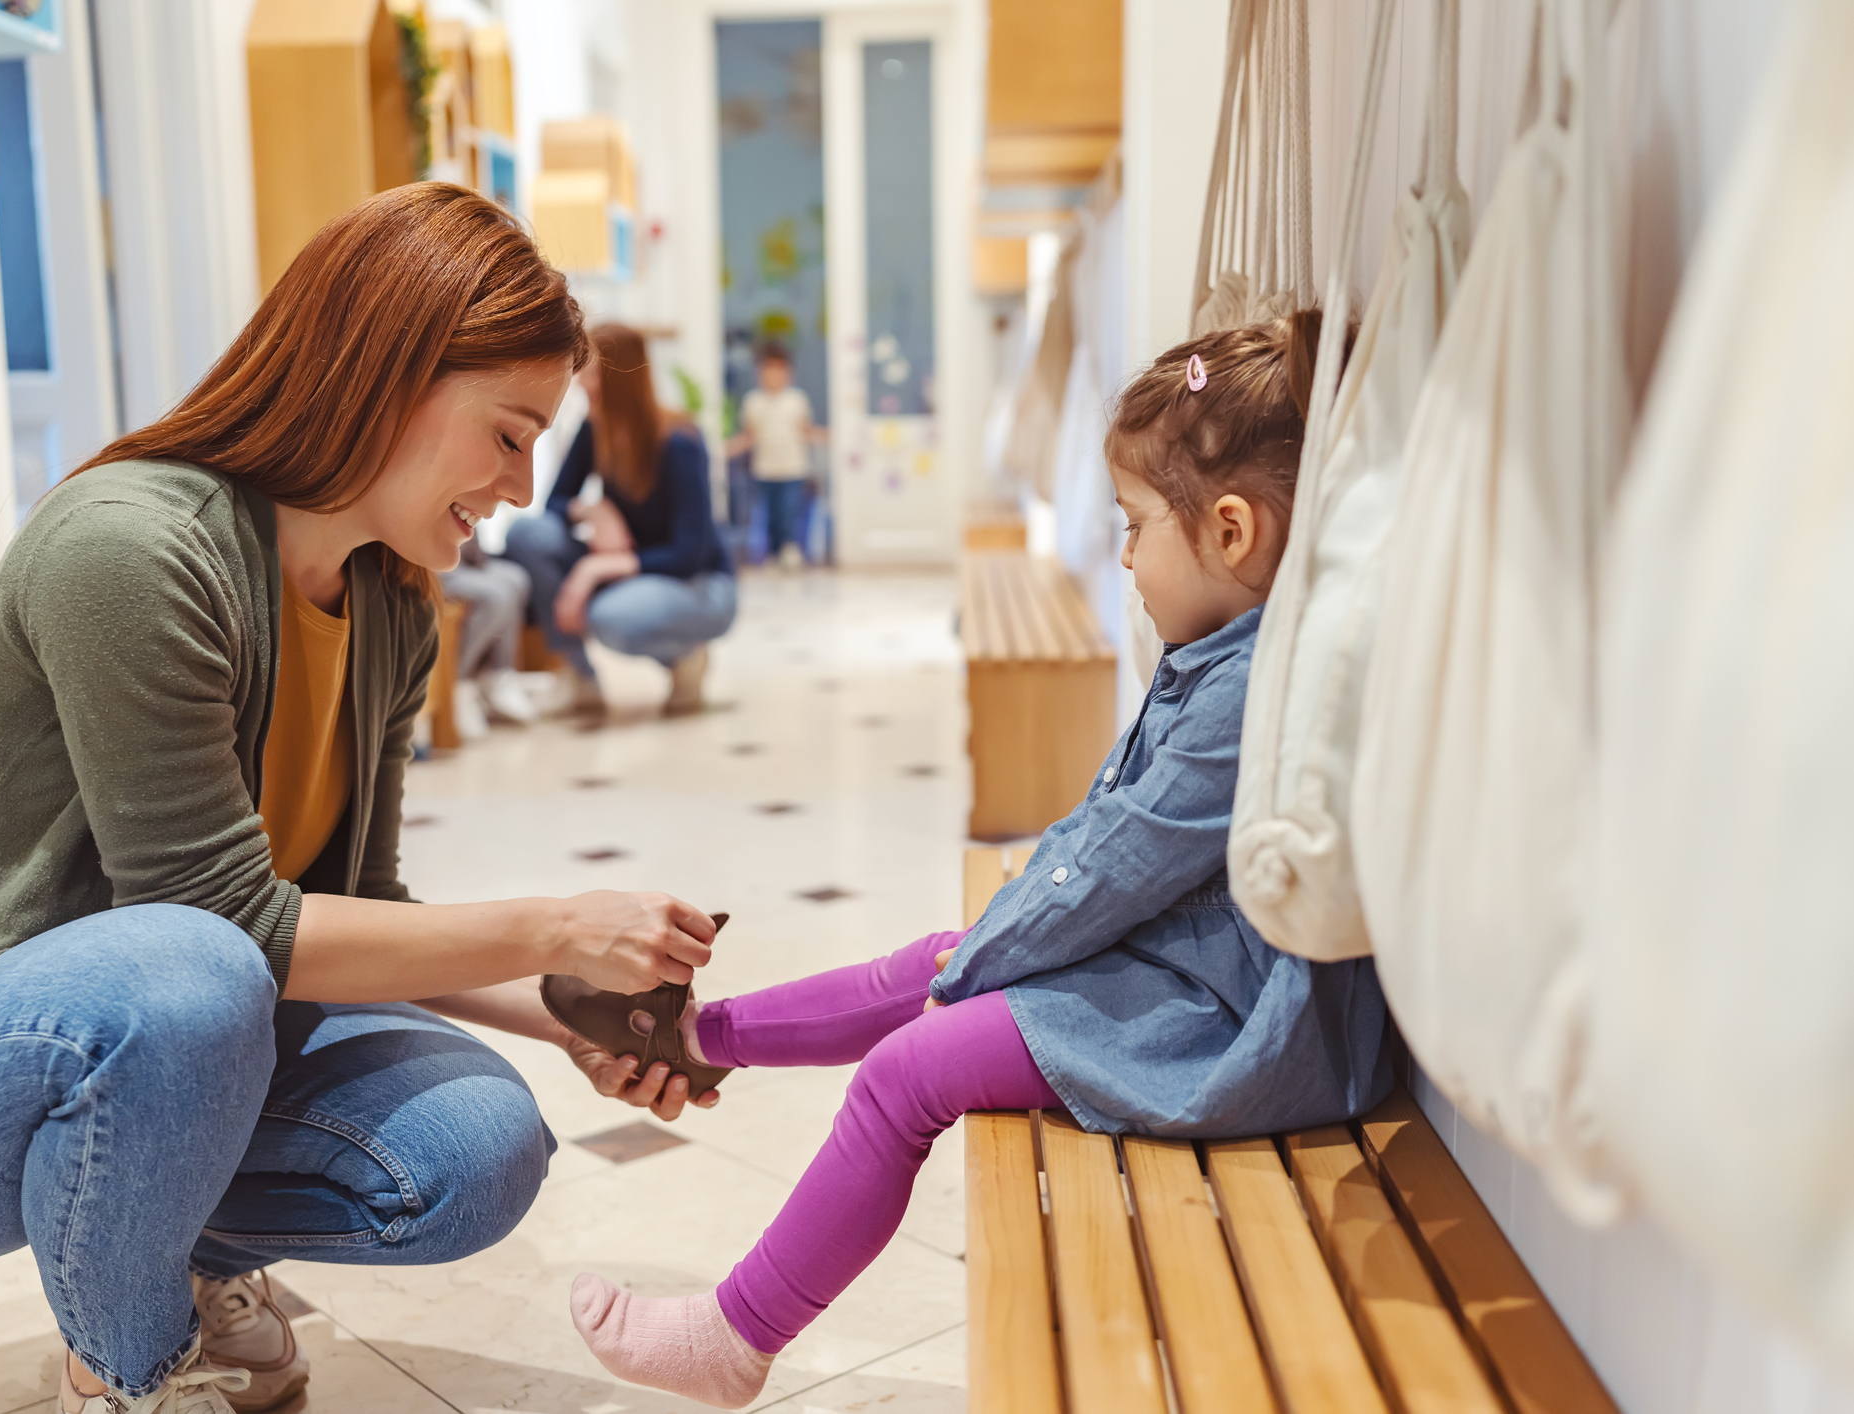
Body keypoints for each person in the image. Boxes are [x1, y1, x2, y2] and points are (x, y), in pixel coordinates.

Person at [0, 185, 725, 1414]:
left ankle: (191, 1259)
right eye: (508, 430)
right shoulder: (132, 548)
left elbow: (357, 909)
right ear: (392, 374)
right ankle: (126, 1368)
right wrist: (552, 923)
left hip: (159, 1026)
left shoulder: (387, 604)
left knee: (476, 1146)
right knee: (197, 971)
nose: (525, 482)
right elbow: (217, 917)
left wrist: (573, 1014)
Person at [557, 313, 1393, 1408]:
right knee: (935, 962)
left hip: (1231, 1028)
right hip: (1198, 974)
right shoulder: (1225, 652)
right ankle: (697, 1037)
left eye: (1136, 525)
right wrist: (984, 947)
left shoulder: (1242, 694)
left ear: (1233, 532)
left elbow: (1113, 869)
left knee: (914, 1065)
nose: (1127, 553)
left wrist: (986, 958)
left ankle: (735, 1337)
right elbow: (1112, 848)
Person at [502, 324, 736, 718]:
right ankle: (581, 677)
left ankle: (684, 655)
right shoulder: (596, 430)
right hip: (631, 571)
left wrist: (594, 569)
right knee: (528, 534)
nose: (578, 385)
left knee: (611, 618)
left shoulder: (679, 441)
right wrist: (594, 510)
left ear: (619, 380)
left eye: (589, 374)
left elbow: (688, 554)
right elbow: (556, 503)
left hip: (698, 583)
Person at [727, 343, 824, 569]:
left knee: (789, 512)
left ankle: (789, 550)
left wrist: (830, 436)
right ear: (759, 373)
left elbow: (806, 430)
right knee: (770, 514)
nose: (773, 376)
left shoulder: (797, 400)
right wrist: (726, 449)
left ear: (788, 373)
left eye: (779, 370)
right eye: (768, 370)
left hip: (793, 468)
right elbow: (748, 436)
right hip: (765, 469)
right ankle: (772, 552)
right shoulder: (753, 402)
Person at [442, 539, 540, 727]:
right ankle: (459, 681)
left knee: (517, 579)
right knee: (497, 596)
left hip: (464, 560)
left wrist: (476, 558)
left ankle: (498, 675)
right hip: (437, 567)